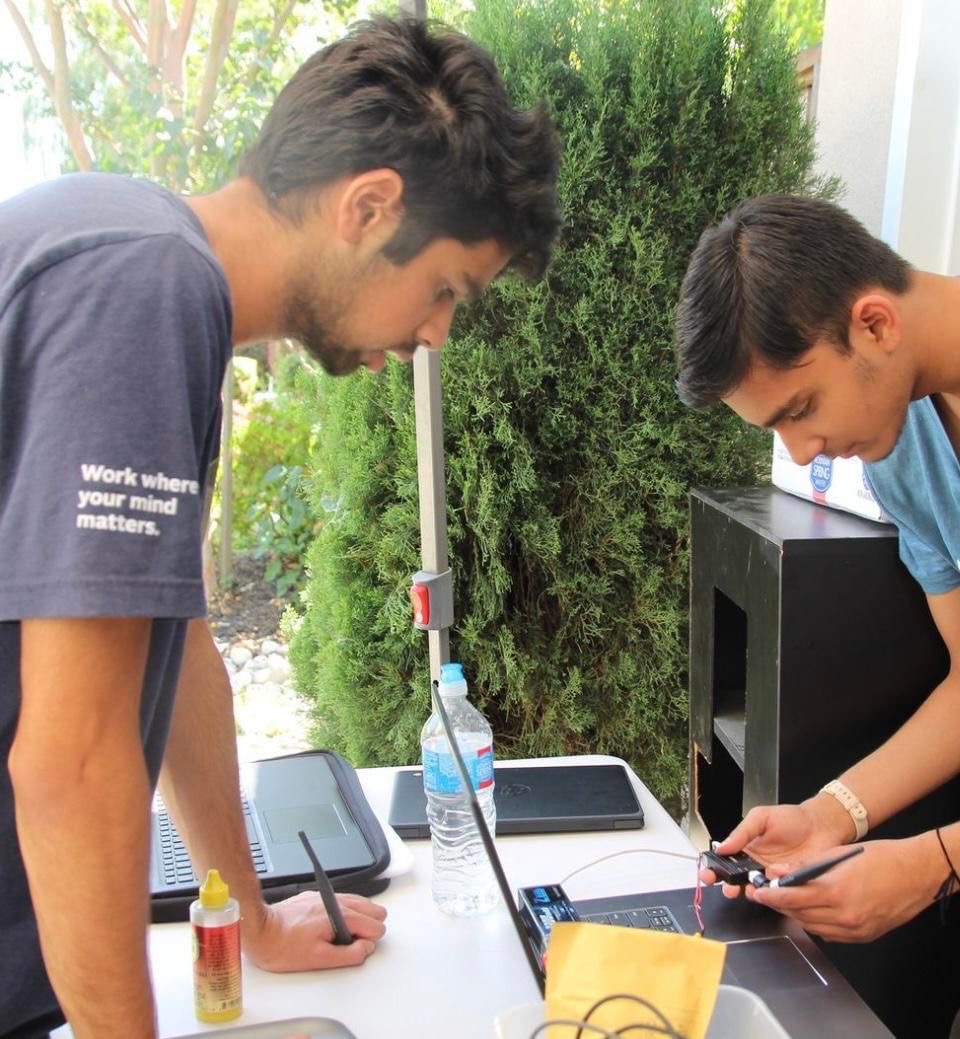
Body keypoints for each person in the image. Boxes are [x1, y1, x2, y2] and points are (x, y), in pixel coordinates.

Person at [0, 16, 561, 1038]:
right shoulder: (144, 288)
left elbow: (182, 650)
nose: (435, 333)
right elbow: (72, 765)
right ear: (368, 205)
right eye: (444, 289)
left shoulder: (148, 268)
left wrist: (248, 918)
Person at [673, 194, 960, 946]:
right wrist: (830, 814)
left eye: (801, 409)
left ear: (874, 323)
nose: (802, 454)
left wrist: (934, 862)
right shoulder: (904, 442)